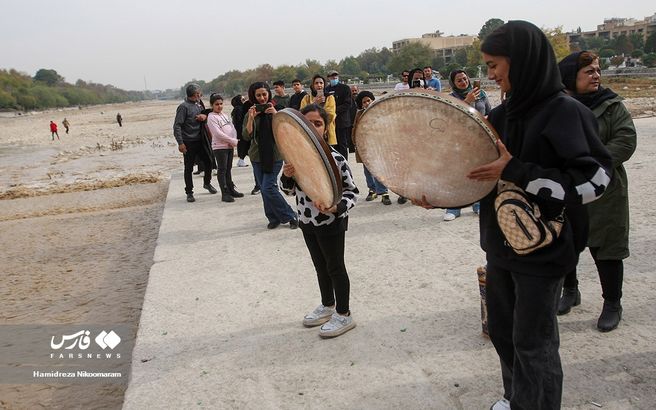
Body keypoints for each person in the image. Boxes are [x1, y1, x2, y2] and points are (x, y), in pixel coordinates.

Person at [416, 21, 611, 410]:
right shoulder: (503, 116)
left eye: (493, 65)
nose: (488, 74)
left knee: (534, 344)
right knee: (504, 335)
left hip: (543, 251)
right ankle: (516, 398)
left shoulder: (565, 112)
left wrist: (518, 171)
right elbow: (478, 177)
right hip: (501, 247)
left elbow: (596, 181)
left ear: (522, 62)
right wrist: (439, 196)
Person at [557, 51, 637, 332]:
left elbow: (626, 140)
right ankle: (571, 291)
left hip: (606, 190)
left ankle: (612, 303)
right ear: (570, 78)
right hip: (571, 190)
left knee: (608, 248)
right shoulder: (558, 107)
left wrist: (591, 164)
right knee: (567, 242)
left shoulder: (611, 104)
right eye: (588, 72)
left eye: (597, 70)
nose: (596, 75)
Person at [279, 104, 358, 338]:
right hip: (306, 221)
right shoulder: (295, 157)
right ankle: (327, 305)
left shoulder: (335, 158)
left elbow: (353, 192)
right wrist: (287, 175)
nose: (313, 127)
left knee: (335, 267)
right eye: (308, 123)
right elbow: (288, 190)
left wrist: (336, 208)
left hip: (331, 222)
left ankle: (344, 314)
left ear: (326, 127)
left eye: (318, 123)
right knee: (320, 266)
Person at [243, 81, 298, 229]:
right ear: (253, 96)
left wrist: (275, 114)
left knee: (268, 188)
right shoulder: (251, 112)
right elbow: (246, 136)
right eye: (258, 95)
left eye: (264, 94)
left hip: (275, 155)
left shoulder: (278, 110)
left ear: (269, 94)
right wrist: (251, 118)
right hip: (256, 156)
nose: (262, 98)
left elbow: (286, 130)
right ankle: (273, 217)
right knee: (264, 189)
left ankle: (290, 215)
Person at [443, 69, 492, 221]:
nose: (464, 82)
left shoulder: (481, 94)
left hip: (479, 139)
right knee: (458, 174)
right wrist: (468, 100)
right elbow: (452, 117)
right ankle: (453, 208)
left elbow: (490, 112)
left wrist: (486, 117)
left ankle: (477, 205)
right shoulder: (451, 97)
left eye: (465, 79)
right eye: (459, 80)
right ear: (454, 83)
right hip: (459, 140)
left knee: (477, 173)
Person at [173, 83, 218, 203]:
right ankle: (189, 192)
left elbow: (206, 114)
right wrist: (180, 143)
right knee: (188, 168)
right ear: (194, 94)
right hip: (188, 142)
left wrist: (204, 116)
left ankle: (207, 183)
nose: (200, 95)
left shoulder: (198, 104)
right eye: (199, 93)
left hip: (201, 140)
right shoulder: (183, 107)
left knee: (209, 161)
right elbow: (177, 126)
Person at [353, 91, 392, 205]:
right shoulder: (359, 114)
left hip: (377, 146)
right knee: (367, 170)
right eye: (364, 102)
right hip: (364, 147)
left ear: (372, 100)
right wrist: (355, 142)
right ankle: (372, 189)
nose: (366, 103)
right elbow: (355, 128)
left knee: (379, 169)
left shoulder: (378, 112)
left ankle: (384, 192)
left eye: (368, 100)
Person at [207, 93, 244, 203]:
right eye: (216, 104)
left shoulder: (224, 115)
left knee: (228, 169)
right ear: (212, 105)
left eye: (221, 104)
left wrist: (234, 138)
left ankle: (231, 189)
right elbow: (217, 133)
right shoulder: (211, 117)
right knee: (222, 170)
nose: (219, 106)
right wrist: (231, 140)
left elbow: (232, 127)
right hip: (219, 147)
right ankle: (225, 193)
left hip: (229, 146)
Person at [300, 75, 337, 147]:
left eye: (321, 83)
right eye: (316, 83)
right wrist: (314, 104)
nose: (319, 85)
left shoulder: (330, 98)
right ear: (313, 85)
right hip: (309, 133)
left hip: (327, 134)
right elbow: (302, 114)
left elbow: (331, 115)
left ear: (324, 85)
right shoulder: (306, 98)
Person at [325, 70, 353, 159]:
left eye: (335, 76)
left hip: (342, 121)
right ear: (328, 78)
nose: (334, 78)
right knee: (333, 144)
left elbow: (348, 104)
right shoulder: (326, 90)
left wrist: (335, 111)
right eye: (332, 76)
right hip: (331, 122)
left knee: (342, 145)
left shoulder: (345, 88)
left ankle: (344, 163)